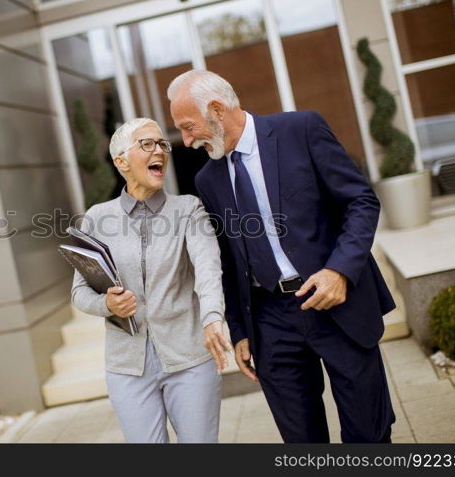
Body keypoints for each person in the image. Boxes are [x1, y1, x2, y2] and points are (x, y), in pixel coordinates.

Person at [167, 69, 396, 443]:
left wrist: (339, 271)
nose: (188, 141)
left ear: (217, 109)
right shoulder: (208, 179)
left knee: (368, 433)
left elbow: (360, 201)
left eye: (189, 127)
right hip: (270, 321)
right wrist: (239, 330)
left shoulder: (301, 130)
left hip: (336, 302)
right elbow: (225, 258)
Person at [70, 117, 231, 443]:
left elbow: (209, 268)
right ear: (121, 161)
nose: (159, 150)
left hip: (188, 358)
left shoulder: (188, 209)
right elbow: (79, 292)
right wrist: (107, 304)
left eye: (161, 144)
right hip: (127, 367)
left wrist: (213, 317)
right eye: (146, 144)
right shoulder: (97, 218)